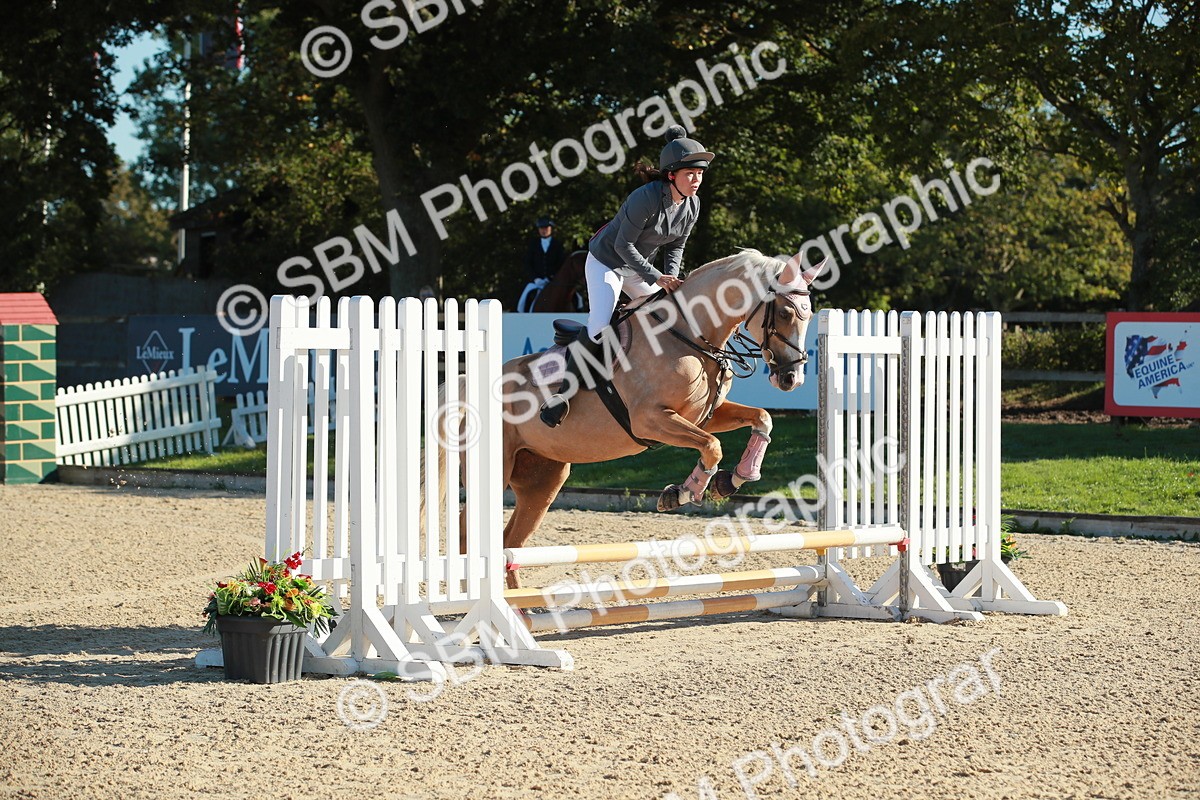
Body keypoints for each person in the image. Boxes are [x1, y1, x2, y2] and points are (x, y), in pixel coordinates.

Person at [539, 125, 713, 428]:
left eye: (699, 174)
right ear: (672, 175)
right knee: (599, 325)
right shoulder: (645, 197)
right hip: (607, 261)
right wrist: (656, 276)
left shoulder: (692, 204)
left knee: (666, 314)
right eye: (690, 174)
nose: (696, 180)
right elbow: (622, 245)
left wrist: (670, 279)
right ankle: (561, 395)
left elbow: (676, 246)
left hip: (638, 267)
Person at [524, 216, 566, 282]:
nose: (544, 230)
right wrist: (535, 279)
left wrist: (552, 277)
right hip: (536, 281)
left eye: (546, 228)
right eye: (541, 228)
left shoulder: (558, 244)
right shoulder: (533, 244)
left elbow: (562, 263)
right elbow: (528, 263)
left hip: (555, 281)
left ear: (551, 228)